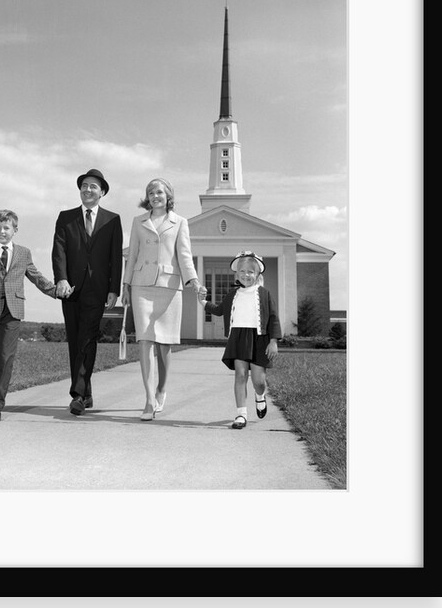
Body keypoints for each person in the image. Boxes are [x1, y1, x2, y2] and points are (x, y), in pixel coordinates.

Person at [122, 178, 207, 421]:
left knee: (165, 344)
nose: (155, 196)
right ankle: (149, 400)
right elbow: (133, 254)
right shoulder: (138, 221)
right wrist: (126, 285)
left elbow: (185, 256)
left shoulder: (180, 222)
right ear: (147, 198)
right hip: (141, 286)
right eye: (150, 192)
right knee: (145, 340)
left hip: (169, 287)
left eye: (159, 192)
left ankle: (161, 389)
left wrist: (194, 281)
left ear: (168, 195)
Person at [0, 209, 57, 423]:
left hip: (13, 312)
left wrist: (55, 291)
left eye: (6, 228)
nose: (2, 231)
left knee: (4, 358)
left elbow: (36, 276)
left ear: (15, 230)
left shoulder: (23, 253)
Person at [51, 168, 123, 416]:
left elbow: (115, 257)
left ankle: (78, 395)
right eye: (84, 186)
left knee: (88, 338)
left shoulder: (113, 220)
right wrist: (61, 279)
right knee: (75, 340)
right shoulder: (65, 217)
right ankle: (87, 392)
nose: (88, 190)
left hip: (97, 289)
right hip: (70, 289)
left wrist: (114, 289)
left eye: (93, 186)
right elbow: (58, 251)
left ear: (102, 192)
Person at [199, 250, 282, 430]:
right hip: (238, 338)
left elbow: (274, 318)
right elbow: (219, 310)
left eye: (250, 272)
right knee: (240, 375)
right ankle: (241, 414)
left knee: (258, 381)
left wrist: (273, 341)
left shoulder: (265, 294)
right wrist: (203, 302)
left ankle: (260, 396)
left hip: (260, 339)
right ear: (237, 274)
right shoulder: (233, 294)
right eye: (242, 271)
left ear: (257, 274)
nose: (246, 275)